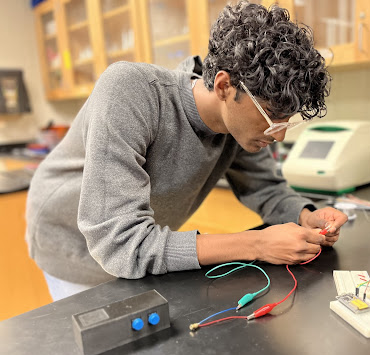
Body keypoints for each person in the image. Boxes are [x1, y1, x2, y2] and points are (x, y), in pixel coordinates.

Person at [26, 1, 348, 301]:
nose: (277, 135)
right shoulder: (131, 93)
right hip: (72, 238)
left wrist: (305, 216)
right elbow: (121, 244)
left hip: (132, 241)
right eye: (270, 117)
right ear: (224, 86)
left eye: (286, 123)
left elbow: (265, 187)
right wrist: (258, 244)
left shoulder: (240, 126)